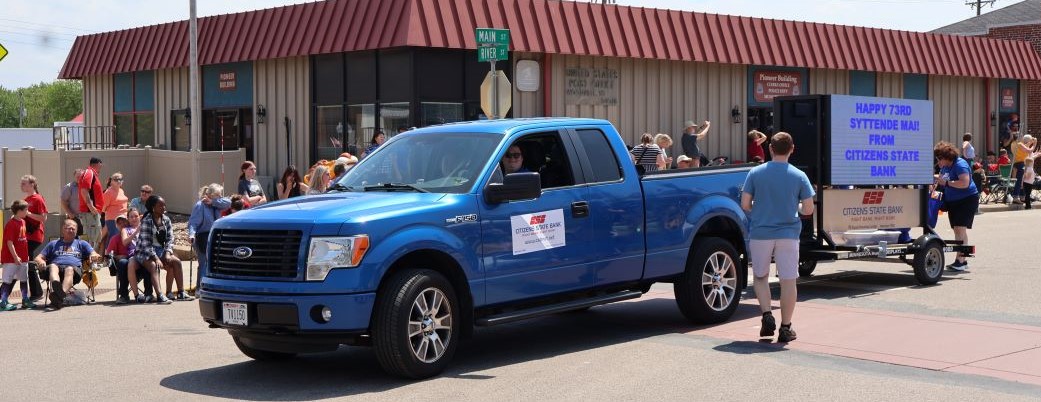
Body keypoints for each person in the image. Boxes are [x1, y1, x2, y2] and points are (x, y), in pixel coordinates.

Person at [740, 132, 815, 343]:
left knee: (761, 277)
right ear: (792, 149)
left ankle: (766, 315)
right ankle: (785, 327)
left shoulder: (755, 173)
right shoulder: (800, 176)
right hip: (788, 234)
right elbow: (808, 209)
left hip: (761, 232)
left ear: (770, 149)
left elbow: (745, 204)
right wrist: (795, 207)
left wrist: (760, 211)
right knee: (788, 281)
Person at [34, 219, 101, 310]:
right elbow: (38, 257)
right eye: (68, 228)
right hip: (54, 270)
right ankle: (57, 287)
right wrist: (41, 261)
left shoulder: (82, 243)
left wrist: (94, 255)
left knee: (69, 269)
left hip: (74, 271)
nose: (71, 230)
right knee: (53, 266)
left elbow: (94, 253)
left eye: (73, 229)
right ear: (63, 230)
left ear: (76, 231)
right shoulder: (53, 244)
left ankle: (58, 295)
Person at [934, 141, 979, 271]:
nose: (938, 162)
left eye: (939, 159)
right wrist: (934, 178)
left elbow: (964, 183)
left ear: (946, 157)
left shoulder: (960, 165)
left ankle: (960, 260)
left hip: (967, 200)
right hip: (953, 201)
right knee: (958, 229)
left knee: (960, 228)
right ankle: (963, 260)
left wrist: (946, 183)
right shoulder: (945, 167)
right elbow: (942, 178)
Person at [135, 195, 189, 302]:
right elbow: (146, 244)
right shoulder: (147, 221)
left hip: (161, 249)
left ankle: (181, 292)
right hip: (145, 252)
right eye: (161, 206)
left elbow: (170, 238)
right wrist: (156, 258)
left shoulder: (166, 220)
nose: (164, 208)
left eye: (164, 205)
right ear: (153, 208)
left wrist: (168, 253)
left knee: (176, 262)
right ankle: (160, 295)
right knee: (153, 266)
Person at [188, 184, 231, 283]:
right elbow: (193, 222)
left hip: (215, 235)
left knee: (215, 262)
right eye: (218, 195)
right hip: (203, 236)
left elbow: (228, 203)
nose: (220, 197)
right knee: (204, 263)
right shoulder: (200, 205)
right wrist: (191, 234)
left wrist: (213, 201)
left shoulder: (216, 204)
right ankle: (200, 286)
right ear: (211, 195)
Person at [1, 200, 32, 310]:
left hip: (23, 258)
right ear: (19, 211)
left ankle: (25, 300)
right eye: (26, 210)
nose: (27, 212)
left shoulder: (22, 222)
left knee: (24, 279)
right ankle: (3, 302)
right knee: (7, 280)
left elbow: (23, 241)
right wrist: (15, 256)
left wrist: (25, 256)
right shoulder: (11, 224)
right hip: (11, 259)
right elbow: (10, 242)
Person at [122, 208, 155, 303]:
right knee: (131, 263)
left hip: (145, 254)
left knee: (149, 264)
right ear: (128, 219)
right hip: (134, 255)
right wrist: (136, 232)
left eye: (136, 216)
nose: (134, 218)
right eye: (131, 217)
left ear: (140, 217)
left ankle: (149, 294)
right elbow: (124, 242)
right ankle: (136, 295)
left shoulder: (145, 227)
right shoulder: (126, 229)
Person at [78, 157, 105, 249]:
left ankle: (90, 262)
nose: (101, 169)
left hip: (92, 213)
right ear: (98, 164)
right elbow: (84, 190)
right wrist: (91, 206)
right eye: (100, 166)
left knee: (94, 238)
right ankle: (87, 263)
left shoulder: (92, 174)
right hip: (89, 213)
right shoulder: (89, 172)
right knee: (90, 239)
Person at [21, 175, 48, 258]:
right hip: (26, 234)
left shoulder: (38, 199)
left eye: (24, 184)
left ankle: (30, 270)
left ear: (32, 185)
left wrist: (28, 214)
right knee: (25, 255)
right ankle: (30, 270)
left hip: (35, 234)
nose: (21, 186)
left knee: (25, 253)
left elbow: (44, 218)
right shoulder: (25, 200)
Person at [101, 172, 129, 248]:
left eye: (120, 179)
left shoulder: (121, 190)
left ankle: (115, 257)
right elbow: (103, 207)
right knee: (113, 238)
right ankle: (108, 257)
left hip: (123, 218)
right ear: (111, 181)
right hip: (113, 219)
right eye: (116, 179)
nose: (119, 181)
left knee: (121, 238)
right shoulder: (108, 192)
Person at [1011, 135, 1036, 204]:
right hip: (1021, 163)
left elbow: (1025, 147)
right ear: (1019, 138)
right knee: (1020, 181)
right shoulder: (1019, 144)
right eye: (1021, 137)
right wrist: (1034, 144)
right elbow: (1029, 150)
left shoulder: (1013, 144)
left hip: (1018, 163)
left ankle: (1022, 196)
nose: (1023, 138)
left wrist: (1030, 142)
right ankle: (1016, 197)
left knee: (1022, 181)